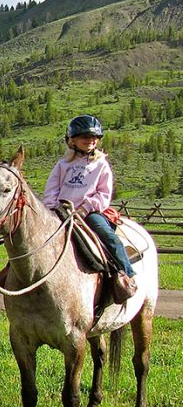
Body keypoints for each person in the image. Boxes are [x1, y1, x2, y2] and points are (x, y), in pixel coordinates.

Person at [43, 114, 136, 302]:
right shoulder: (63, 165)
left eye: (94, 137)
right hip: (62, 213)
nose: (90, 141)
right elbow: (51, 190)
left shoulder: (101, 165)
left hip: (89, 214)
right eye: (85, 137)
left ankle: (126, 275)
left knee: (107, 236)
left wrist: (85, 209)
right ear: (72, 140)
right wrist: (54, 208)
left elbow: (103, 194)